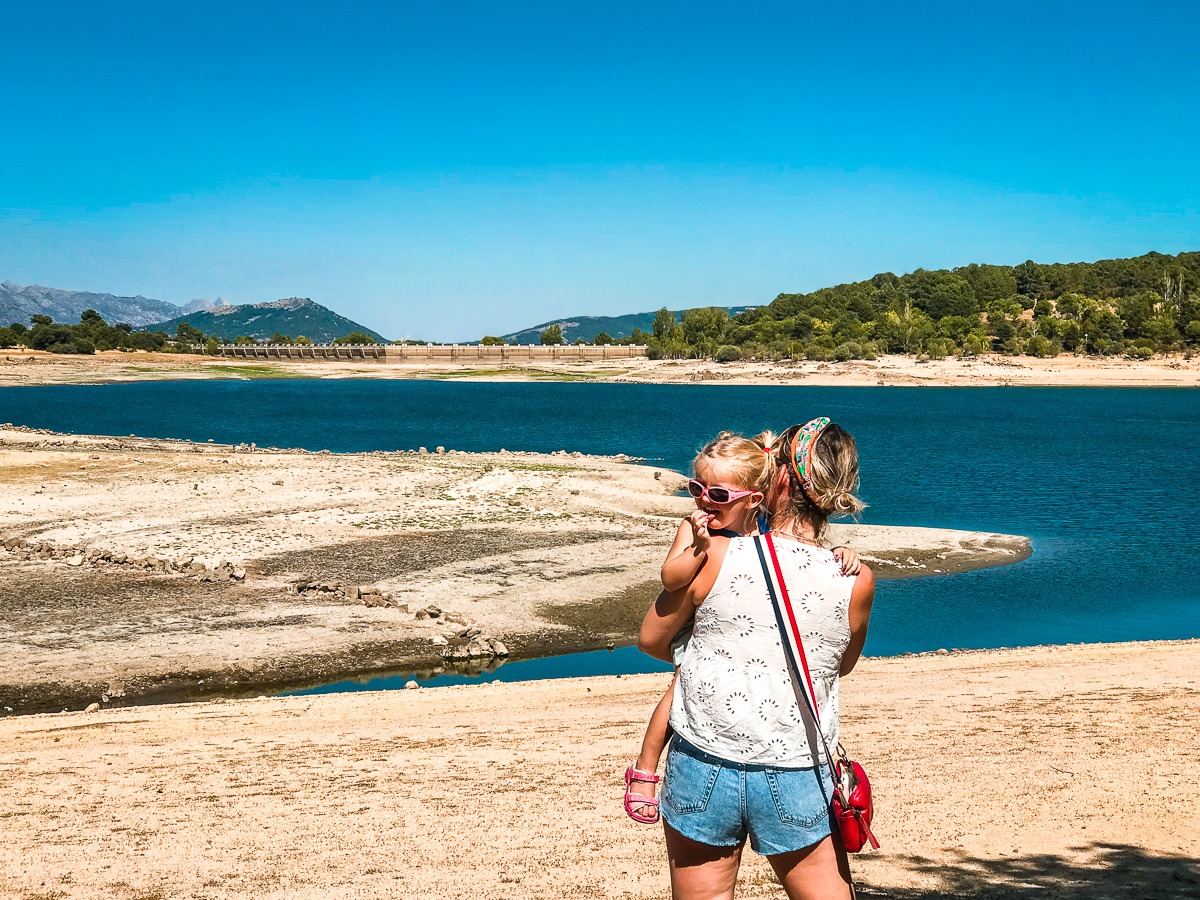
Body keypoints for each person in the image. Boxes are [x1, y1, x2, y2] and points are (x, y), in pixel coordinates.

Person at [638, 418, 876, 900]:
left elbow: (651, 640)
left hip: (704, 756)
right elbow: (839, 664)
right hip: (796, 764)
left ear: (778, 480)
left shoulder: (717, 553)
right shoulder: (855, 577)